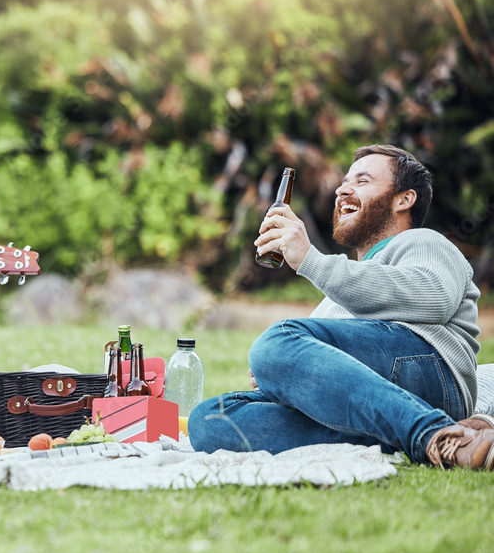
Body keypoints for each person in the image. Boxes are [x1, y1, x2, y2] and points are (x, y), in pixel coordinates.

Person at [188, 145, 494, 470]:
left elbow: (433, 298)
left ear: (404, 199)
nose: (342, 189)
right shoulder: (336, 294)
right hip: (364, 407)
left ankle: (432, 433)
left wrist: (310, 260)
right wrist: (284, 375)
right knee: (208, 420)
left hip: (429, 375)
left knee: (274, 343)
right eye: (344, 181)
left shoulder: (425, 243)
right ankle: (442, 441)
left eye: (362, 180)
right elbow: (305, 365)